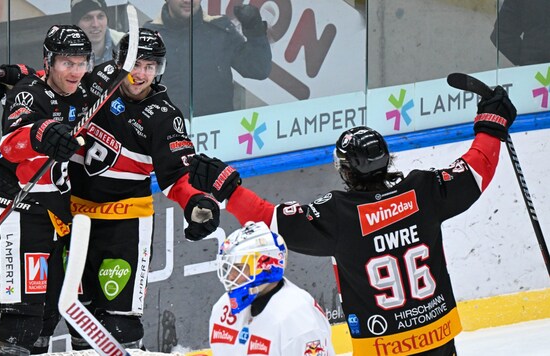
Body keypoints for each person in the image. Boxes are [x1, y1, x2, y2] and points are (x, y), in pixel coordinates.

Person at [188, 87, 517, 355]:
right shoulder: (424, 190)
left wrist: (227, 188)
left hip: (381, 346)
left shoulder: (339, 215)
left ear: (345, 170)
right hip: (439, 338)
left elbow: (269, 220)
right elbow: (477, 168)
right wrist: (491, 123)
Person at [65, 28, 220, 350]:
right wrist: (19, 79)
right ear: (120, 62)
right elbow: (55, 82)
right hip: (73, 219)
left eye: (151, 67)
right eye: (136, 64)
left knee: (119, 323)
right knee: (79, 319)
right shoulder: (98, 79)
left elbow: (178, 173)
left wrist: (196, 202)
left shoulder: (164, 116)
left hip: (124, 225)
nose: (141, 74)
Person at [0, 24, 91, 355]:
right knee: (22, 326)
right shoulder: (28, 93)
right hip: (18, 211)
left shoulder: (86, 90)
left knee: (74, 314)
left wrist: (16, 69)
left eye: (81, 62)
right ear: (50, 62)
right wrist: (42, 133)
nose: (75, 71)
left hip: (63, 212)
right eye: (67, 63)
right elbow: (12, 144)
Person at [210, 221, 335, 356]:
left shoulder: (298, 319)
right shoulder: (224, 306)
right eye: (229, 267)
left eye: (239, 268)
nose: (230, 276)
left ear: (264, 266)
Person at [144, 0, 272, 117]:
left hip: (220, 133)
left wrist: (255, 30)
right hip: (169, 135)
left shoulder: (219, 30)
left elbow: (258, 69)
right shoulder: (146, 38)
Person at [490, 0, 550, 66]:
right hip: (535, 68)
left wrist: (530, 59)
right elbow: (501, 35)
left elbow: (501, 34)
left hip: (535, 69)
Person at [71, 0, 125, 65]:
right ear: (76, 25)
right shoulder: (66, 53)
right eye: (87, 18)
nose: (96, 24)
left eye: (100, 16)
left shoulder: (126, 43)